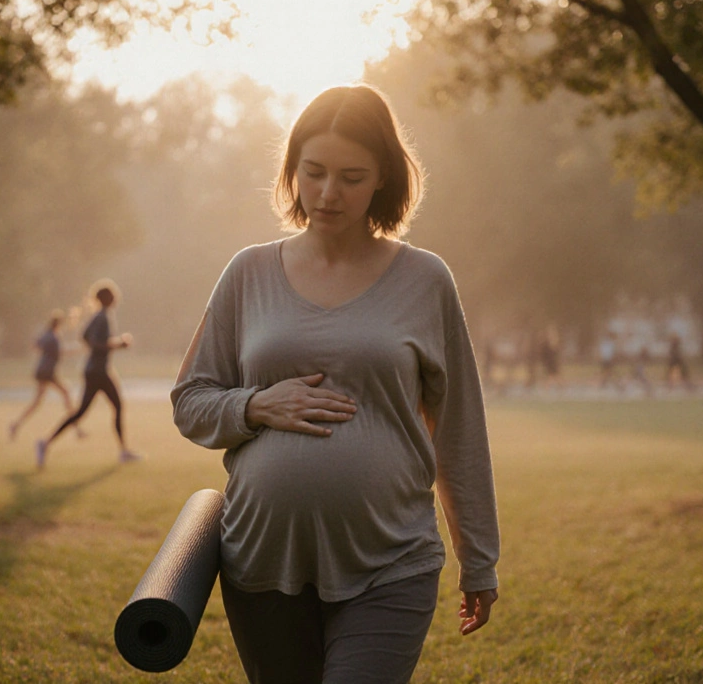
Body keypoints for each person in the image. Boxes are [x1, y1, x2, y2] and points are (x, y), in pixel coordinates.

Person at [171, 84, 500, 684]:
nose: (327, 193)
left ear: (383, 179)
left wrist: (479, 560)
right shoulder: (248, 273)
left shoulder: (425, 279)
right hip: (260, 564)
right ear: (292, 170)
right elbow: (190, 401)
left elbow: (458, 429)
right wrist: (255, 405)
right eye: (313, 171)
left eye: (351, 176)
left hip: (390, 562)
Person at [35, 279, 137, 469]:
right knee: (111, 407)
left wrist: (110, 344)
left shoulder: (100, 315)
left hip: (96, 370)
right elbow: (97, 343)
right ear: (107, 298)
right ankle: (123, 452)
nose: (116, 298)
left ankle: (45, 443)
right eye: (113, 295)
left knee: (93, 410)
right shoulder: (102, 317)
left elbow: (86, 337)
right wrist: (118, 344)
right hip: (97, 371)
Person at [8, 310, 77, 441]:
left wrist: (46, 354)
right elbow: (61, 352)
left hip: (42, 371)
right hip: (47, 372)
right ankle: (75, 426)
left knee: (38, 402)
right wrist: (78, 349)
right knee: (66, 393)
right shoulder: (54, 337)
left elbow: (35, 345)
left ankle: (16, 424)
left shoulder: (46, 335)